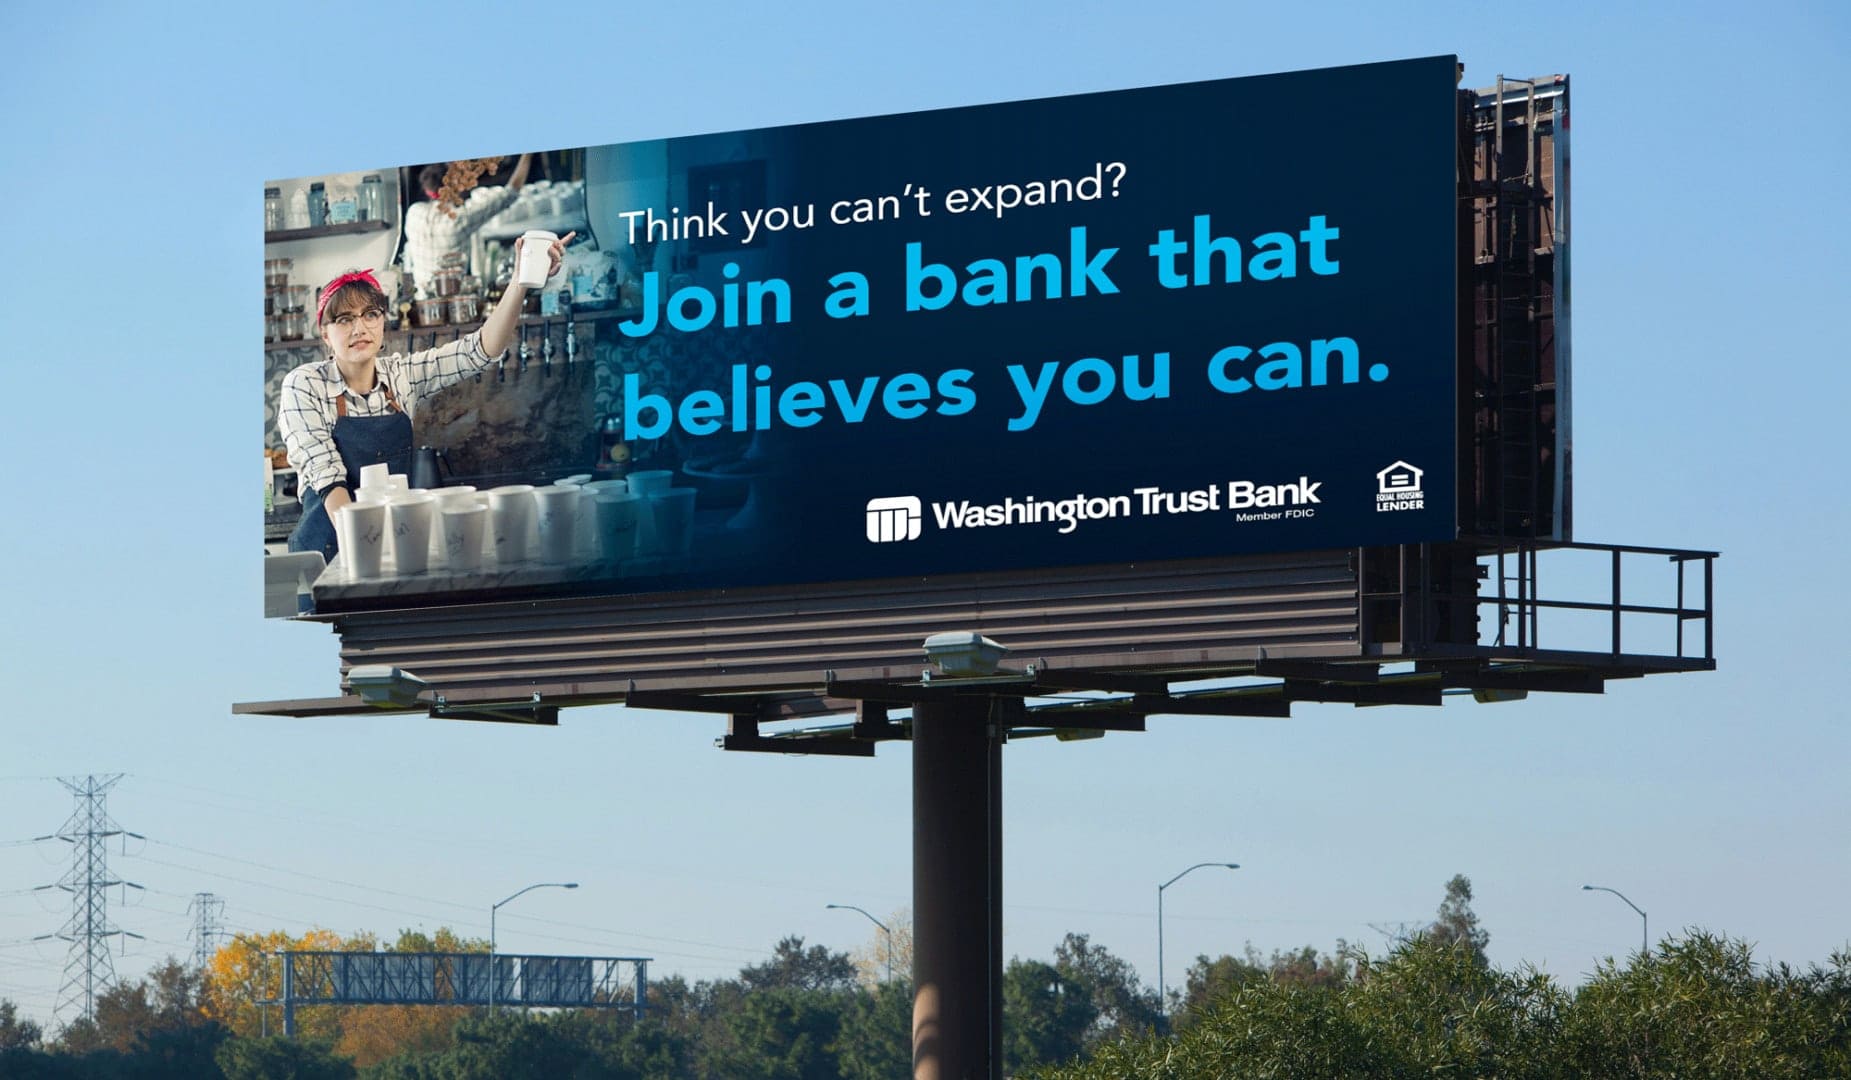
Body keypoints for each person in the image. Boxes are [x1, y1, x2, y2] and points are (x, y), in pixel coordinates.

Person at [279, 231, 574, 561]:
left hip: (389, 547)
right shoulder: (304, 384)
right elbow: (328, 478)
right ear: (325, 333)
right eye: (344, 319)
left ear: (382, 324)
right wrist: (364, 553)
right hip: (328, 550)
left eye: (370, 315)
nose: (359, 329)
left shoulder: (400, 374)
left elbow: (479, 350)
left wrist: (520, 281)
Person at [400, 152, 533, 296]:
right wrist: (528, 155)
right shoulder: (458, 220)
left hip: (422, 300)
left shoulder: (413, 213)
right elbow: (510, 192)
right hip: (455, 302)